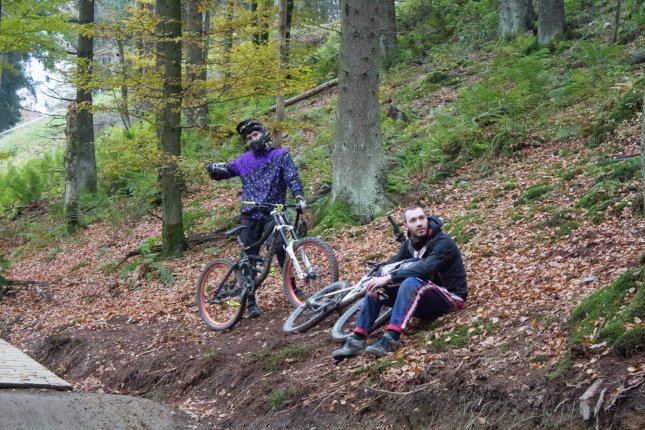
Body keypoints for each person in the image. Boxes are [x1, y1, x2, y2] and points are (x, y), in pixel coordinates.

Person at [332, 205, 468, 360]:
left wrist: (389, 279)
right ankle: (357, 339)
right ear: (406, 225)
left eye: (422, 218)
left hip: (450, 298)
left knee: (410, 282)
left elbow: (426, 268)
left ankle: (391, 339)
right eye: (413, 220)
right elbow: (391, 266)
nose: (419, 223)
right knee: (378, 286)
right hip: (425, 301)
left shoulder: (443, 242)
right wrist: (376, 280)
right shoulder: (408, 246)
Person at [205, 119, 307, 319]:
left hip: (273, 212)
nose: (253, 139)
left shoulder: (280, 156)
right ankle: (249, 302)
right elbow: (227, 170)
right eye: (248, 137)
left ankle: (294, 289)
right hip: (250, 216)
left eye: (255, 134)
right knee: (248, 258)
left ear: (263, 133)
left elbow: (292, 177)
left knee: (280, 249)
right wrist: (213, 169)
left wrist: (299, 196)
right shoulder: (243, 160)